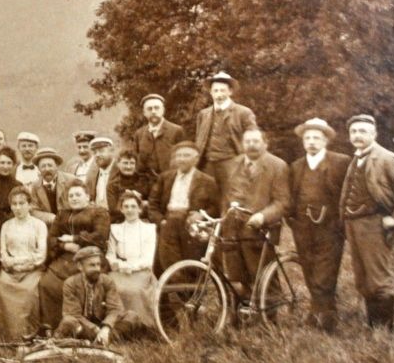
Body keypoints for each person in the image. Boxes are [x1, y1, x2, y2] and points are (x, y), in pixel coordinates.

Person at [340, 115, 394, 330]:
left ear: (374, 134)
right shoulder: (356, 159)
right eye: (353, 131)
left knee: (378, 278)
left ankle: (384, 331)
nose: (357, 135)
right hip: (353, 225)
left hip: (374, 224)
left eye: (363, 131)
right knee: (362, 278)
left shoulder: (386, 158)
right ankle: (373, 326)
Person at [286, 118, 352, 332]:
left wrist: (341, 223)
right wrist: (293, 221)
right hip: (302, 227)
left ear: (326, 141)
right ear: (303, 141)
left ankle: (324, 318)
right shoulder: (296, 166)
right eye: (308, 138)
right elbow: (290, 197)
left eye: (316, 138)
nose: (312, 142)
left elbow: (348, 193)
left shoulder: (341, 162)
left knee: (325, 271)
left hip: (330, 227)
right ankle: (321, 312)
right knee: (309, 268)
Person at [221, 128, 290, 301]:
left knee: (261, 273)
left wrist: (263, 216)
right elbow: (226, 197)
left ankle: (269, 311)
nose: (251, 145)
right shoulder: (232, 164)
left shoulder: (277, 165)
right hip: (233, 228)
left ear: (265, 144)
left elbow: (282, 202)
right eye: (247, 141)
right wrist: (224, 218)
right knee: (236, 274)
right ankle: (241, 309)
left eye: (256, 141)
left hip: (261, 228)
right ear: (242, 144)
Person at [38, 180, 111, 330]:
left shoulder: (99, 212)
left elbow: (100, 236)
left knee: (82, 284)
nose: (74, 198)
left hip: (90, 257)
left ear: (87, 197)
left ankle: (86, 328)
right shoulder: (62, 214)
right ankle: (53, 327)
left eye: (78, 195)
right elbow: (52, 238)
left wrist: (74, 239)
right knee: (48, 284)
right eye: (71, 196)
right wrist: (65, 246)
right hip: (65, 258)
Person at [148, 141, 220, 274]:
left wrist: (201, 215)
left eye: (186, 155)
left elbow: (216, 208)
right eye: (178, 156)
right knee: (165, 259)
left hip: (191, 225)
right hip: (168, 222)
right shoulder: (165, 178)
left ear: (196, 159)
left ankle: (185, 281)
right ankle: (172, 281)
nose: (181, 159)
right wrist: (161, 221)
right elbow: (153, 204)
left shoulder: (207, 181)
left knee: (190, 264)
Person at [0, 186, 47, 340]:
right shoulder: (6, 225)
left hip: (32, 270)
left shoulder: (39, 225)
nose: (18, 208)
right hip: (10, 270)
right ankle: (2, 336)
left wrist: (24, 265)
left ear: (30, 205)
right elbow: (3, 252)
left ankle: (27, 335)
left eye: (22, 203)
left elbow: (41, 254)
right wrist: (11, 264)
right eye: (14, 204)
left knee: (29, 292)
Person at [55, 246, 143, 343]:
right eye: (92, 265)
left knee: (132, 316)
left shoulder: (107, 281)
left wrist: (106, 328)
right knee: (68, 321)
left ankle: (100, 340)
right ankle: (107, 339)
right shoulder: (70, 284)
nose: (97, 269)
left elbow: (115, 309)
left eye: (98, 264)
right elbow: (73, 314)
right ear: (80, 266)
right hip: (84, 326)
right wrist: (95, 329)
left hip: (104, 324)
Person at [194, 71, 257, 201]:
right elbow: (198, 140)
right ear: (211, 92)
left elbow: (253, 141)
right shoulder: (203, 114)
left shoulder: (243, 113)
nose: (219, 94)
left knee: (230, 200)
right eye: (215, 91)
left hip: (232, 165)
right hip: (207, 165)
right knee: (207, 199)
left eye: (223, 90)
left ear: (230, 92)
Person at [105, 191, 157, 327]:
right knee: (112, 287)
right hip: (120, 271)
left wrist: (131, 267)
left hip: (141, 271)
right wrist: (118, 264)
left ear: (140, 209)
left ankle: (141, 325)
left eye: (133, 206)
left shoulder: (149, 229)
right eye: (126, 206)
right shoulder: (115, 229)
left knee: (134, 290)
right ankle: (116, 325)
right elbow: (110, 254)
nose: (129, 210)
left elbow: (148, 258)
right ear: (121, 209)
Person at [134, 94, 185, 198]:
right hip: (147, 189)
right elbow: (137, 164)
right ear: (144, 113)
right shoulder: (139, 134)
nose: (153, 111)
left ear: (163, 110)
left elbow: (185, 160)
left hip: (172, 185)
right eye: (149, 109)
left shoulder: (176, 131)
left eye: (157, 108)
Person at [29, 147, 78, 225]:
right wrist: (51, 218)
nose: (47, 169)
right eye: (43, 166)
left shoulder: (71, 180)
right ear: (38, 168)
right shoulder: (35, 186)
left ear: (57, 166)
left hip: (71, 223)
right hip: (48, 226)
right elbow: (33, 210)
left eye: (50, 165)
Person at [105, 150, 144, 224]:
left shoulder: (143, 181)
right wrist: (128, 197)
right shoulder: (112, 185)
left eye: (132, 163)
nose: (129, 167)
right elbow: (114, 210)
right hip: (120, 222)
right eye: (125, 163)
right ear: (118, 164)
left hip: (142, 221)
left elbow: (151, 206)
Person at [85, 137, 116, 209]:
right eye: (94, 152)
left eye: (101, 151)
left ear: (111, 151)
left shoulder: (120, 171)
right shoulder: (92, 174)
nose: (97, 155)